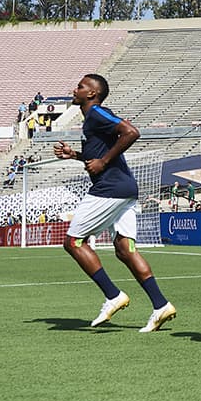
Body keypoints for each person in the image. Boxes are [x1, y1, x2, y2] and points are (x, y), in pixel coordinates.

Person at [52, 73, 177, 333]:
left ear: (92, 94)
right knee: (124, 248)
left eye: (80, 86)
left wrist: (104, 162)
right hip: (125, 190)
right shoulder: (92, 121)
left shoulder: (97, 112)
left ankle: (113, 295)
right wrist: (75, 155)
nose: (75, 89)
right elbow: (95, 154)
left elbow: (131, 132)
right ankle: (161, 304)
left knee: (73, 242)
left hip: (110, 189)